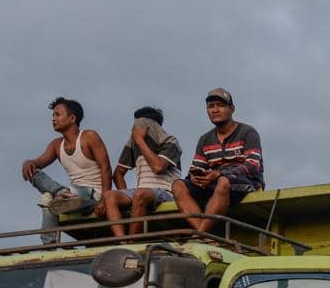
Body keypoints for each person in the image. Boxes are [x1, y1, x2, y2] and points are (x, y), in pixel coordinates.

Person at [21, 97, 112, 244]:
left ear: (72, 118)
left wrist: (105, 200)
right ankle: (49, 244)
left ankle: (63, 194)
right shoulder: (56, 145)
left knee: (51, 199)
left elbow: (106, 168)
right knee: (42, 189)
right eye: (53, 116)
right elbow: (37, 163)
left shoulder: (89, 137)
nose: (53, 119)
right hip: (71, 196)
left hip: (93, 194)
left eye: (58, 115)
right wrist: (28, 162)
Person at [172, 88, 263, 231]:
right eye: (211, 106)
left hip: (246, 183)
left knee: (223, 181)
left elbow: (252, 165)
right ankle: (203, 233)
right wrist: (196, 177)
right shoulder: (205, 139)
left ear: (231, 109)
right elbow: (197, 166)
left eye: (220, 105)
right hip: (214, 183)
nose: (215, 110)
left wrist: (220, 174)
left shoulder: (248, 132)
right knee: (178, 185)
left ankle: (200, 234)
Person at [102, 107, 183, 237]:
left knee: (140, 194)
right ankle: (123, 241)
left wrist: (140, 140)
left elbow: (158, 167)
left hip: (165, 191)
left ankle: (133, 241)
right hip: (143, 192)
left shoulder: (170, 141)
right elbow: (118, 174)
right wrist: (127, 197)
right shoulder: (132, 144)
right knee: (109, 196)